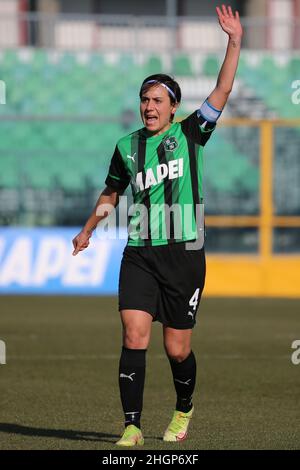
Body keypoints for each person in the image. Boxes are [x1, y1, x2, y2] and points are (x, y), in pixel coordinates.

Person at [72, 5, 243, 447]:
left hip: (184, 253)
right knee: (133, 333)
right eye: (144, 100)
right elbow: (111, 192)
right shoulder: (126, 146)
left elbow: (223, 90)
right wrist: (89, 228)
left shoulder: (191, 134)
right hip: (140, 252)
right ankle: (132, 425)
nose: (149, 107)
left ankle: (184, 409)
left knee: (176, 349)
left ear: (173, 108)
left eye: (157, 101)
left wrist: (234, 41)